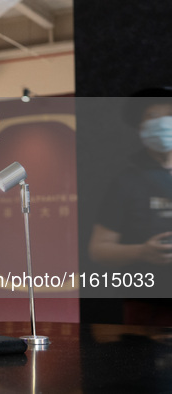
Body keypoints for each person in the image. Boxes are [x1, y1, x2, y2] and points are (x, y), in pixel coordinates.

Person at [88, 87, 172, 325]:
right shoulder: (125, 181)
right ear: (140, 128)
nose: (163, 123)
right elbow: (98, 249)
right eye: (153, 117)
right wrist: (143, 251)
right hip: (146, 308)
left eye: (169, 115)